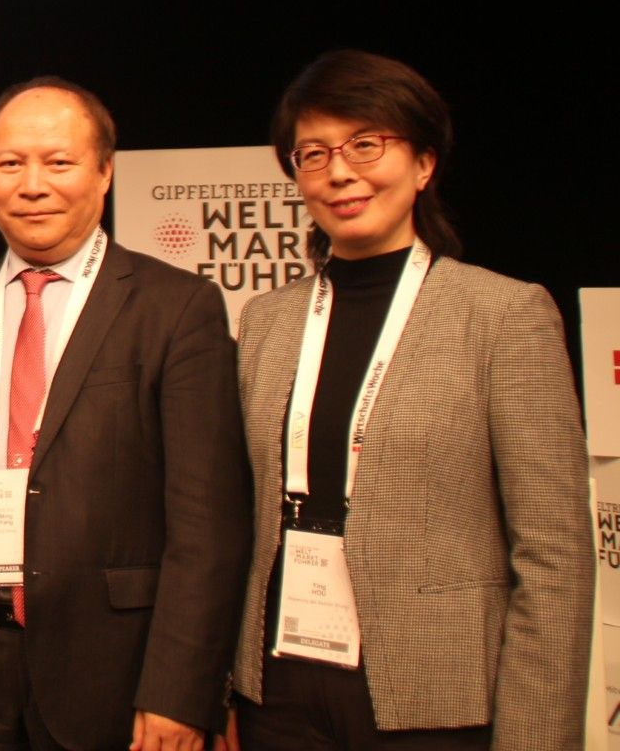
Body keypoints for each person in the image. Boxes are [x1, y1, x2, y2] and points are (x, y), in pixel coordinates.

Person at [0, 77, 252, 751]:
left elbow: (207, 524)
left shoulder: (175, 308)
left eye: (58, 162)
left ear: (104, 172)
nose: (32, 185)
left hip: (116, 669)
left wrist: (179, 688)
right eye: (9, 163)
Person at [227, 50, 590, 751]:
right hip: (278, 691)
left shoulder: (503, 316)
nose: (339, 171)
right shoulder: (267, 321)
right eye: (313, 153)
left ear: (424, 163)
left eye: (366, 144)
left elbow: (554, 557)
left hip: (437, 695)